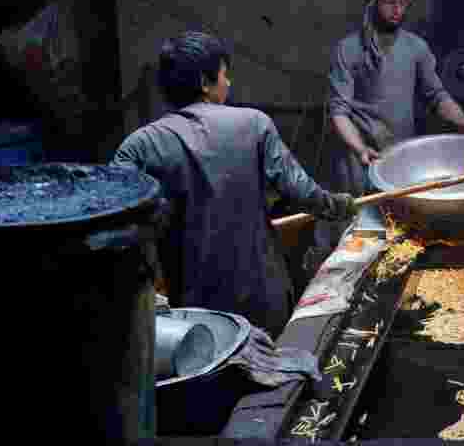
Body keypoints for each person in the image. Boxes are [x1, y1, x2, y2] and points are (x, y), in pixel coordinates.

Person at [112, 31, 356, 339]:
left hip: (195, 314)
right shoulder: (254, 124)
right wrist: (337, 205)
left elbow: (117, 224)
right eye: (225, 75)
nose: (229, 84)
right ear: (205, 81)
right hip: (262, 300)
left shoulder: (139, 146)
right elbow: (301, 192)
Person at [315, 0, 464, 253]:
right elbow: (339, 111)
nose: (397, 9)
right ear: (372, 3)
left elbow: (437, 96)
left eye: (403, 2)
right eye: (389, 1)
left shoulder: (415, 48)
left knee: (396, 236)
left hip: (397, 158)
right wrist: (359, 147)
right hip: (355, 161)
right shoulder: (348, 50)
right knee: (352, 237)